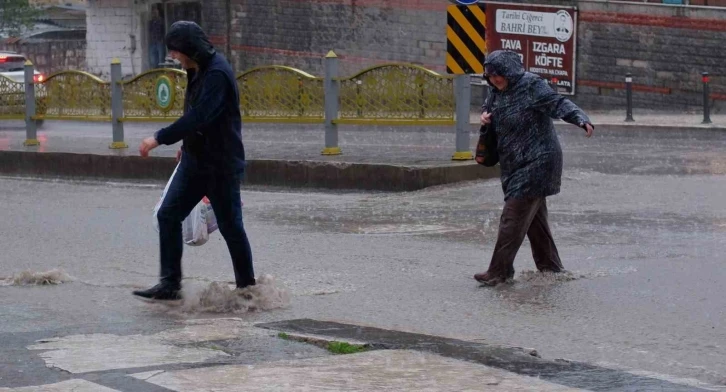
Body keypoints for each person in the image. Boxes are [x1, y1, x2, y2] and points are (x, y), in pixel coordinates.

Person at [135, 21, 255, 300]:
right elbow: (196, 120)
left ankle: (247, 289)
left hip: (220, 166)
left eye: (176, 51)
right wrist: (185, 145)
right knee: (168, 214)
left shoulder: (217, 75)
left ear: (189, 49)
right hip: (194, 161)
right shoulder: (196, 70)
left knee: (231, 227)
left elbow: (199, 116)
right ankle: (170, 284)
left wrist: (159, 138)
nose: (174, 57)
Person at [474, 50, 594, 287]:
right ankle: (550, 266)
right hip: (514, 163)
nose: (495, 79)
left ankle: (499, 272)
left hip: (539, 161)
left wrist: (580, 118)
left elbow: (557, 102)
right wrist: (485, 118)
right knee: (534, 221)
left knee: (512, 217)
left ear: (510, 71)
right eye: (490, 76)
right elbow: (488, 110)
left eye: (499, 75)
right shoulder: (495, 92)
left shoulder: (530, 85)